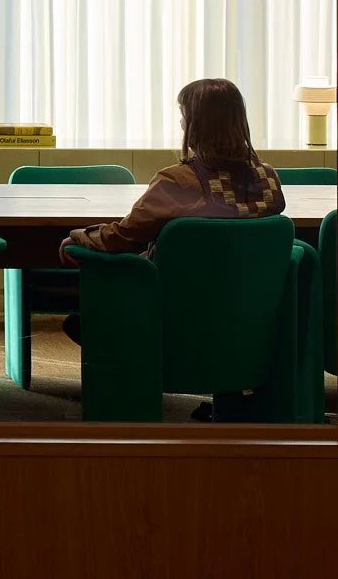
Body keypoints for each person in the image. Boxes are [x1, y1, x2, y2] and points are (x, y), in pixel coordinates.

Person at [58, 77, 285, 419]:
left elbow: (121, 237)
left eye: (183, 115)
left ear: (195, 124)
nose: (180, 123)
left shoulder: (178, 181)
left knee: (83, 320)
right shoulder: (269, 181)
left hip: (174, 324)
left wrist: (80, 238)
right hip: (251, 328)